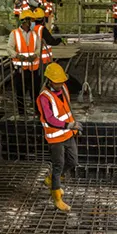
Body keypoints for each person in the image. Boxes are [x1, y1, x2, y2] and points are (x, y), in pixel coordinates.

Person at [37, 62, 80, 213]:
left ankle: (51, 179)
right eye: (57, 82)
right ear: (49, 80)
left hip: (68, 134)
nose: (60, 84)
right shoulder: (44, 97)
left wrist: (72, 126)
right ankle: (57, 198)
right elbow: (49, 118)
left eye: (62, 80)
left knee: (73, 161)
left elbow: (67, 108)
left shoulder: (64, 88)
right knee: (58, 165)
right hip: (55, 137)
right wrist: (68, 125)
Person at [8, 9, 52, 115]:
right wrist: (17, 55)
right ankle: (22, 112)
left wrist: (35, 55)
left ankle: (38, 111)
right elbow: (9, 48)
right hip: (20, 68)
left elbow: (38, 47)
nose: (32, 22)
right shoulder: (14, 34)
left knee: (35, 91)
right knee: (20, 91)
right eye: (31, 20)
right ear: (24, 21)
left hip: (33, 68)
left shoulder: (34, 34)